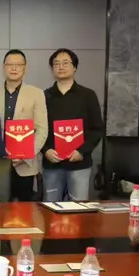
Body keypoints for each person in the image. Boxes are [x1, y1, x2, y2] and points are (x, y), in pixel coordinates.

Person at [41, 49, 103, 202]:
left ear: (74, 67)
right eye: (56, 64)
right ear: (51, 68)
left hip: (79, 163)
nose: (60, 67)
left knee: (78, 207)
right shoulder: (43, 96)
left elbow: (97, 129)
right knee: (51, 206)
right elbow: (39, 129)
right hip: (52, 163)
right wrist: (46, 150)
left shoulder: (88, 95)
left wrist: (82, 151)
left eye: (65, 63)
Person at [0, 50, 48, 201]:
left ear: (25, 68)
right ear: (3, 67)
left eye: (19, 65)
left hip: (25, 164)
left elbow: (42, 130)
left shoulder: (37, 93)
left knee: (23, 209)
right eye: (10, 64)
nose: (14, 68)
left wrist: (26, 154)